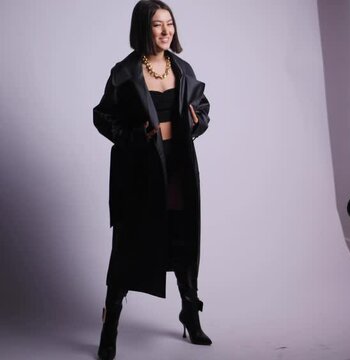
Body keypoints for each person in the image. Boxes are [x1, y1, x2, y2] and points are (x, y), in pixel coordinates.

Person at [93, 1, 211, 359]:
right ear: (143, 28)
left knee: (182, 241)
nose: (165, 31)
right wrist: (133, 135)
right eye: (157, 25)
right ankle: (110, 324)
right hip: (140, 175)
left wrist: (196, 122)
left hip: (178, 170)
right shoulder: (125, 72)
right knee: (127, 247)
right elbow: (102, 117)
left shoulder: (183, 68)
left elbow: (203, 111)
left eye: (170, 23)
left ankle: (189, 312)